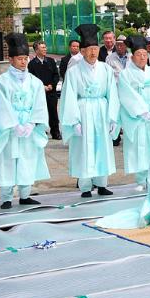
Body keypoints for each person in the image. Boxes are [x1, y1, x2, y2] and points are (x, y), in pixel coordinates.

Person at [0, 33, 50, 210]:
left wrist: (32, 124)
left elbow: (39, 104)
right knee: (7, 161)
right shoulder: (2, 81)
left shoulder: (35, 82)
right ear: (11, 59)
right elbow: (0, 106)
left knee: (27, 160)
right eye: (19, 59)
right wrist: (13, 124)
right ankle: (6, 197)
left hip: (28, 128)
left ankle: (25, 195)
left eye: (25, 58)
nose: (23, 62)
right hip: (10, 129)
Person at [59, 24, 119, 197]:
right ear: (82, 51)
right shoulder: (73, 71)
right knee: (83, 148)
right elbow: (69, 96)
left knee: (101, 146)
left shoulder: (106, 69)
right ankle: (85, 186)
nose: (93, 53)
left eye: (95, 49)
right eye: (89, 49)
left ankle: (102, 184)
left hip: (101, 111)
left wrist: (113, 118)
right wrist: (73, 121)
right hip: (83, 111)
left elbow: (112, 94)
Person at [117, 35, 150, 189]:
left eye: (144, 55)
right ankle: (141, 179)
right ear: (132, 57)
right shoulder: (125, 74)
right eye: (139, 55)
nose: (142, 58)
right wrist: (142, 111)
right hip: (138, 118)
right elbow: (127, 95)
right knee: (139, 149)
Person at [28, 40, 61, 140]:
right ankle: (40, 131)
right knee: (39, 113)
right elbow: (31, 78)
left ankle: (55, 132)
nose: (45, 49)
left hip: (51, 92)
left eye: (45, 47)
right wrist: (42, 87)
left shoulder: (51, 61)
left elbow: (56, 75)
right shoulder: (32, 64)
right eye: (42, 48)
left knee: (53, 113)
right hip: (39, 93)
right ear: (36, 50)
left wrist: (51, 85)